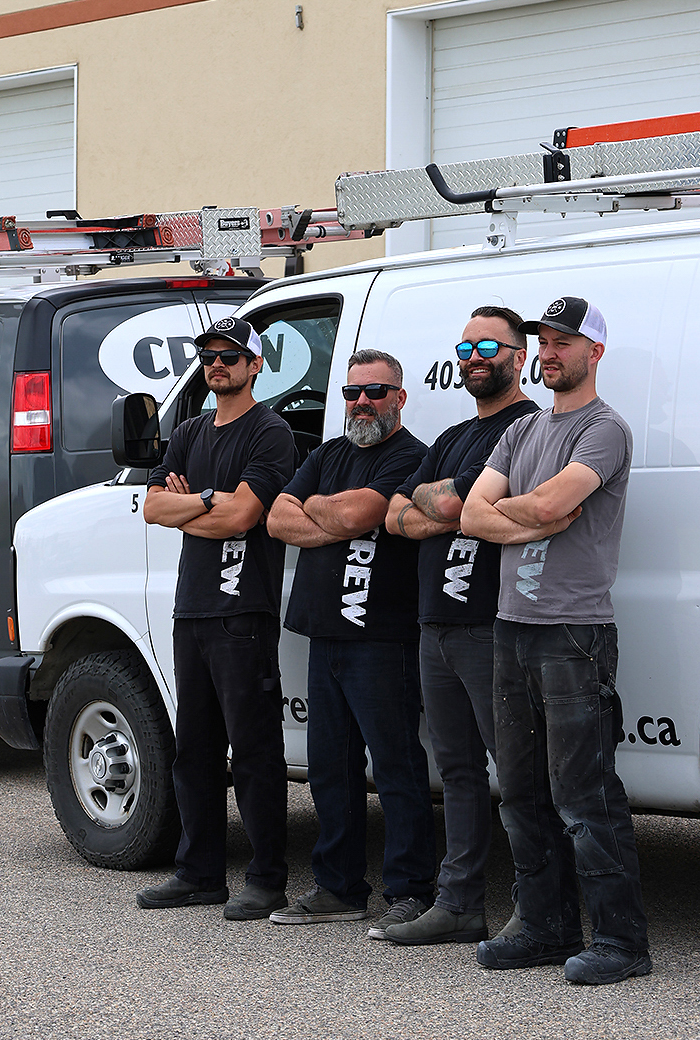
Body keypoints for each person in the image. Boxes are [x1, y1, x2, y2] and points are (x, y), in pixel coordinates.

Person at [461, 296, 650, 985]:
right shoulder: (522, 430)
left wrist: (521, 513)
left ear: (594, 352)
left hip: (574, 634)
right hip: (512, 627)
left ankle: (622, 942)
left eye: (564, 343)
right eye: (543, 342)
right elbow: (473, 516)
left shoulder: (606, 429)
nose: (549, 353)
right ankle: (545, 927)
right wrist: (537, 521)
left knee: (584, 794)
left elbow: (539, 503)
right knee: (520, 793)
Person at [381, 305, 538, 945]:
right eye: (465, 348)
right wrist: (444, 504)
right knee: (457, 771)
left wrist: (444, 503)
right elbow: (397, 516)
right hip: (435, 624)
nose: (473, 359)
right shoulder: (450, 437)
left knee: (519, 772)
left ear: (519, 356)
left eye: (487, 348)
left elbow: (453, 505)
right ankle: (460, 904)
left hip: (489, 623)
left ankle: (537, 906)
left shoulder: (527, 429)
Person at [265, 349, 435, 936]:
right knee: (329, 768)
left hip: (383, 637)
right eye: (351, 392)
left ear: (399, 398)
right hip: (325, 634)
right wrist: (333, 516)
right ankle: (339, 888)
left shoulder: (412, 456)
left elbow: (363, 513)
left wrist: (321, 511)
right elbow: (276, 519)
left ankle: (411, 890)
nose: (361, 402)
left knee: (396, 766)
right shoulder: (326, 454)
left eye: (375, 392)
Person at [135, 315, 297, 921]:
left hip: (242, 612)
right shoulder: (190, 431)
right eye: (208, 355)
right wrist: (207, 500)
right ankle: (198, 874)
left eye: (230, 355)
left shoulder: (270, 433)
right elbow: (152, 508)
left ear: (255, 365)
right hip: (193, 609)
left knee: (254, 751)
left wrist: (193, 503)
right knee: (194, 751)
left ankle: (266, 879)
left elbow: (243, 517)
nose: (217, 364)